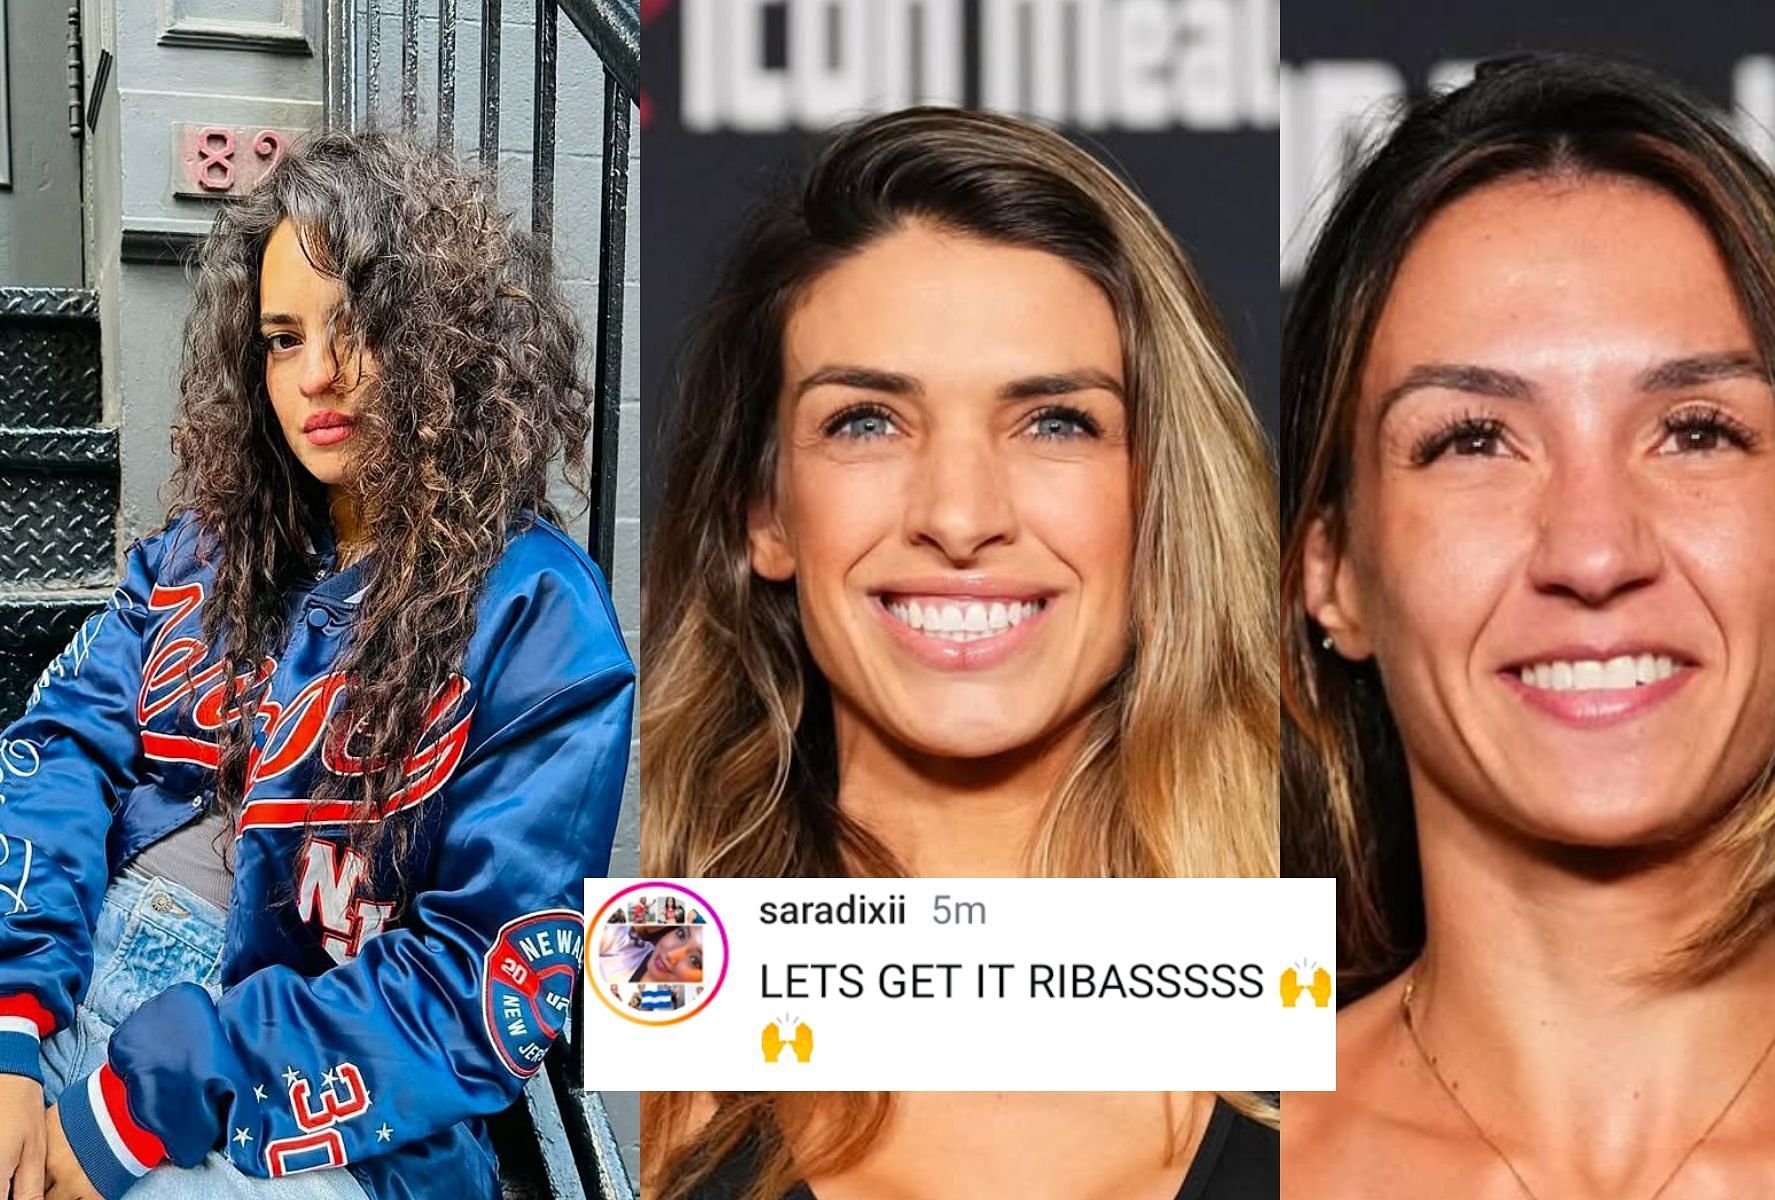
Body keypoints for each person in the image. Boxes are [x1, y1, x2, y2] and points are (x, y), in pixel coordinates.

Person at [1279, 53, 1775, 1193]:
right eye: (1472, 439)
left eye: (1694, 432)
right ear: (1333, 574)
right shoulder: (1163, 1144)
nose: (1593, 551)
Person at [637, 107, 1282, 1200]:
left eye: (1056, 423)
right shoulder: (645, 994)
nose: (960, 513)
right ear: (765, 512)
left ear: (1160, 496)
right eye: (867, 421)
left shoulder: (1336, 1014)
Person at [0, 132, 634, 1199]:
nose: (318, 376)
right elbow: (60, 751)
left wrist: (139, 1107)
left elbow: (480, 973)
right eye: (284, 339)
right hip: (68, 979)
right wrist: (15, 1024)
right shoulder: (203, 553)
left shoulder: (536, 614)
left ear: (447, 341)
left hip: (306, 1080)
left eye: (359, 327)